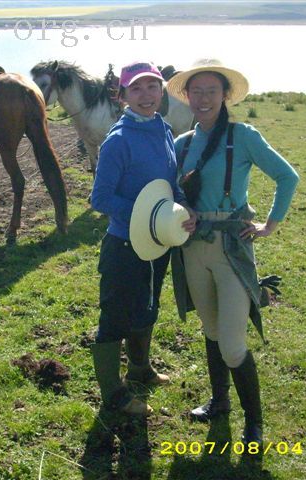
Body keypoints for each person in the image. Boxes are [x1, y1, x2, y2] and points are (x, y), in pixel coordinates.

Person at [167, 59, 299, 444]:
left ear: (225, 96)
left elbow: (287, 176)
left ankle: (254, 424)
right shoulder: (182, 143)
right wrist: (181, 210)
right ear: (187, 96)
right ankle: (220, 402)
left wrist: (269, 225)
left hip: (231, 248)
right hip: (192, 250)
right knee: (209, 330)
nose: (204, 98)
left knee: (232, 343)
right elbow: (170, 191)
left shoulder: (244, 136)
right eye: (197, 91)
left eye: (212, 90)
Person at [90, 61, 196, 416]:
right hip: (124, 244)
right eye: (135, 89)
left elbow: (170, 179)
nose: (146, 95)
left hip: (157, 239)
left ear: (162, 91)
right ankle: (114, 395)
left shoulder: (163, 129)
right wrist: (146, 213)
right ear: (122, 97)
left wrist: (179, 207)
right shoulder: (118, 141)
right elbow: (100, 199)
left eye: (152, 86)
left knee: (148, 304)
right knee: (115, 315)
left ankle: (140, 369)